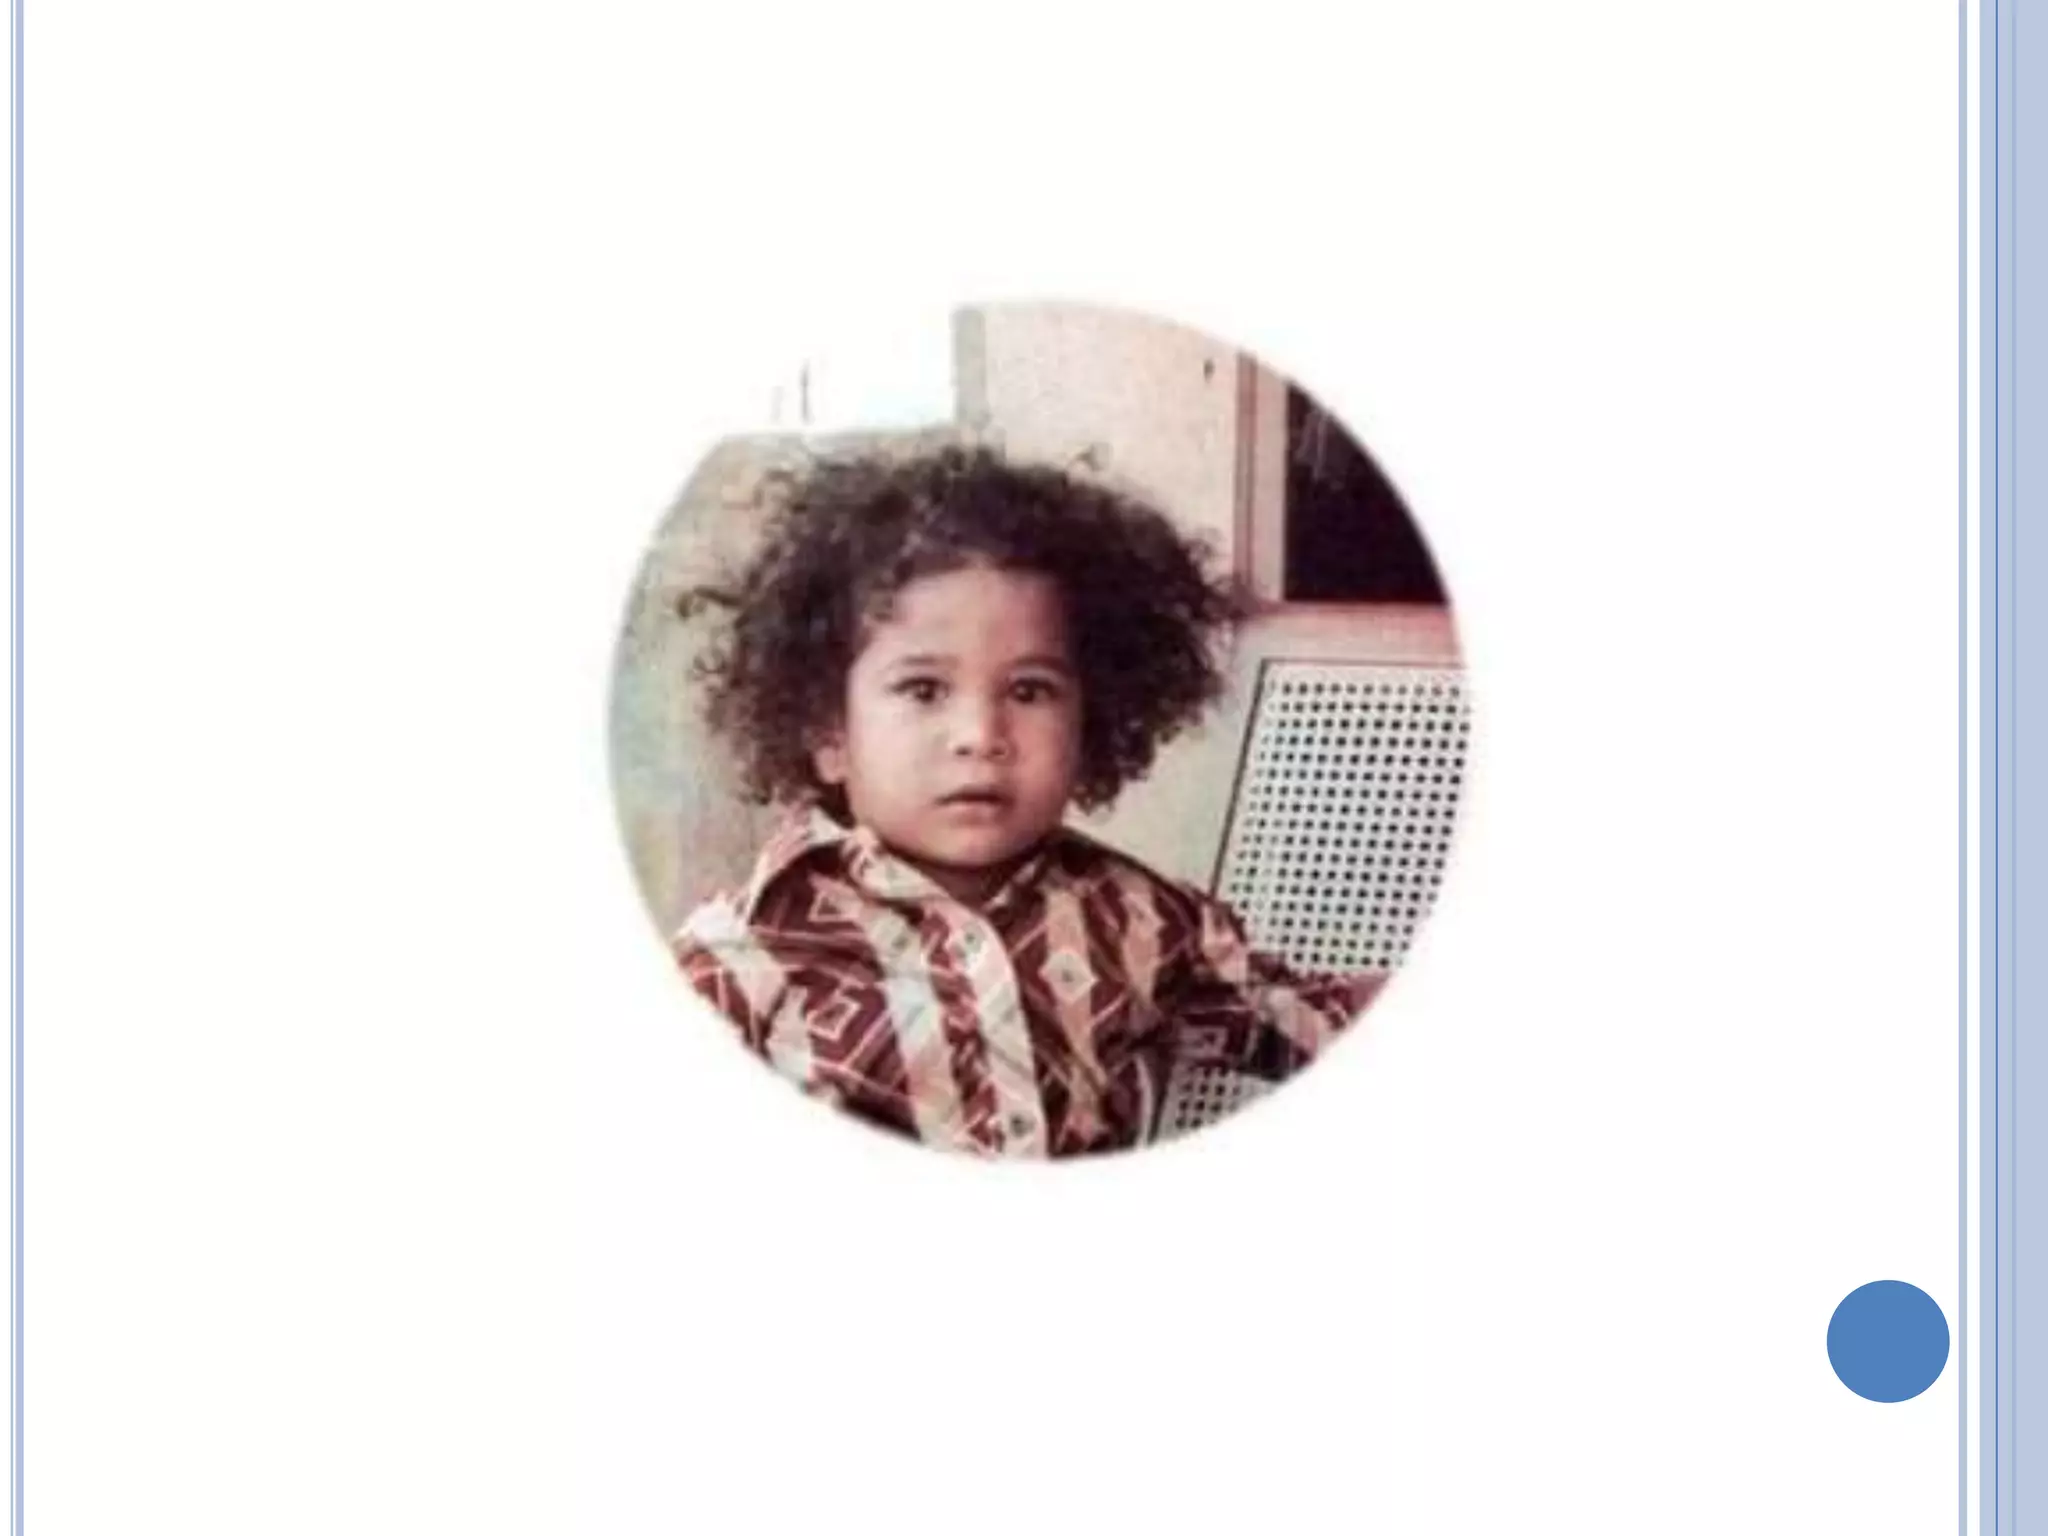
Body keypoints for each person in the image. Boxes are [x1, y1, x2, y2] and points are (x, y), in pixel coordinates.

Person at [671, 444, 1381, 1157]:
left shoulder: (1141, 922)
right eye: (924, 690)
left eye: (1029, 690)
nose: (982, 736)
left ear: (1092, 718)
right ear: (828, 731)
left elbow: (1306, 1024)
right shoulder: (735, 966)